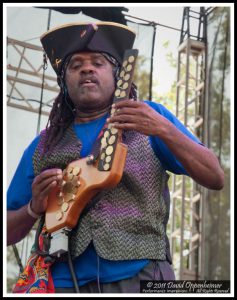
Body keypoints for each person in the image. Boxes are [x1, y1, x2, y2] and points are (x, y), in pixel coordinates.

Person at [7, 21, 224, 294]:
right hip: (60, 282)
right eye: (75, 65)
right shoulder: (42, 146)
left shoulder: (150, 117)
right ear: (64, 83)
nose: (87, 68)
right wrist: (32, 208)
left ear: (118, 74)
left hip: (143, 277)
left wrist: (163, 128)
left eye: (98, 62)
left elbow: (215, 176)